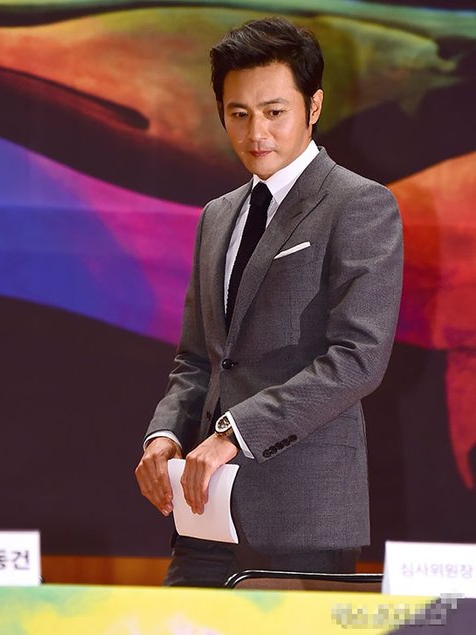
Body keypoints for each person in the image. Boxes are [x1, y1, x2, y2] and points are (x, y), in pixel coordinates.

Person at [135, 16, 403, 587]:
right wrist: (165, 435)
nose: (256, 132)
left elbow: (358, 359)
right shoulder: (217, 215)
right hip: (203, 513)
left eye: (275, 111)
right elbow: (199, 360)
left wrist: (234, 434)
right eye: (239, 114)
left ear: (313, 106)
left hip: (300, 515)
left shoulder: (359, 204)